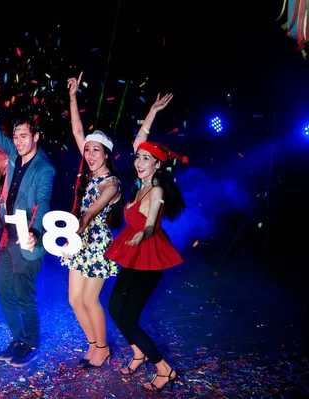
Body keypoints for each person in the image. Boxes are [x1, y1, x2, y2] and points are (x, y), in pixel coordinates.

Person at [105, 93, 185, 391]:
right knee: (115, 308)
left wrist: (144, 232)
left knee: (129, 316)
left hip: (149, 255)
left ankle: (164, 369)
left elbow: (151, 224)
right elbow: (140, 140)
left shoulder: (156, 192)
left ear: (157, 166)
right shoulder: (139, 185)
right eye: (138, 157)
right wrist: (151, 111)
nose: (139, 161)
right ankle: (138, 352)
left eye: (146, 159)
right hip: (132, 253)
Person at [0, 83, 56, 367]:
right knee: (3, 291)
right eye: (16, 136)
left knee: (24, 295)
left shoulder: (44, 168)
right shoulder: (13, 154)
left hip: (27, 237)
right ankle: (17, 338)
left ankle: (30, 342)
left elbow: (44, 201)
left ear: (35, 136)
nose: (19, 141)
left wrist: (35, 231)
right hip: (6, 236)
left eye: (25, 136)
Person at [60, 73, 124, 369]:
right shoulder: (87, 174)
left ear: (106, 154)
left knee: (89, 300)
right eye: (87, 149)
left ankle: (103, 348)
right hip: (80, 241)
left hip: (96, 243)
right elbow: (77, 130)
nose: (89, 154)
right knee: (75, 300)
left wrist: (75, 232)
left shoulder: (111, 183)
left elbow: (90, 212)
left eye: (95, 150)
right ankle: (92, 345)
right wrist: (72, 96)